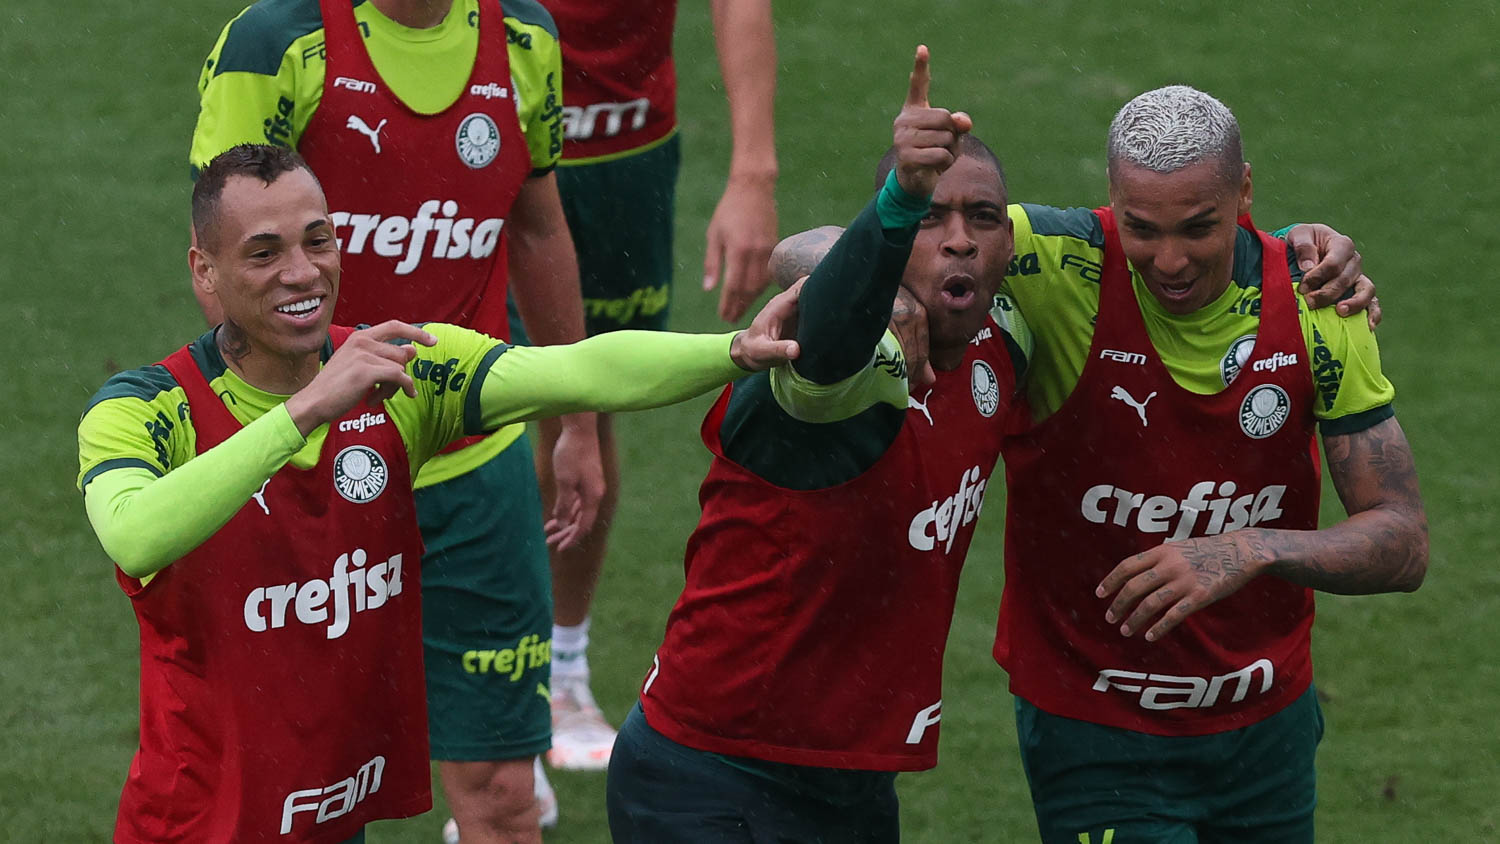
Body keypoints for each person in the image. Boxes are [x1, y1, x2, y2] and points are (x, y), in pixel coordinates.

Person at [76, 144, 800, 844]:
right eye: (264, 253)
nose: (302, 273)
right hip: (202, 824)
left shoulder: (399, 371)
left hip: (331, 812)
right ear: (205, 272)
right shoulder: (143, 410)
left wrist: (735, 350)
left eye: (318, 241)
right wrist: (306, 411)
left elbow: (579, 371)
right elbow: (136, 535)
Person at [189, 0, 595, 835]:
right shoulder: (276, 45)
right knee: (307, 796)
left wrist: (577, 423)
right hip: (315, 477)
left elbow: (538, 223)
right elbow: (229, 259)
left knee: (507, 794)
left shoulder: (528, 39)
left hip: (474, 470)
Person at [605, 47, 1030, 842]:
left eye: (981, 219)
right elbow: (831, 320)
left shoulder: (1005, 346)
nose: (961, 241)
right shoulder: (837, 359)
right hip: (709, 770)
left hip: (852, 777)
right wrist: (895, 200)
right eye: (931, 218)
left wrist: (1306, 251)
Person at [990, 85, 1428, 842]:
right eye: (1142, 228)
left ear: (1246, 191)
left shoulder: (1319, 299)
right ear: (1112, 199)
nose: (1170, 261)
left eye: (1199, 228)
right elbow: (843, 249)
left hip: (1265, 733)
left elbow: (1403, 541)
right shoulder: (1055, 266)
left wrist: (1249, 548)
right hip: (1095, 733)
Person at [537, 0, 780, 770]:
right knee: (437, 401)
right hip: (477, 123)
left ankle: (558, 669)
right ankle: (483, 707)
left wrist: (753, 170)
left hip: (619, 150)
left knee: (582, 405)